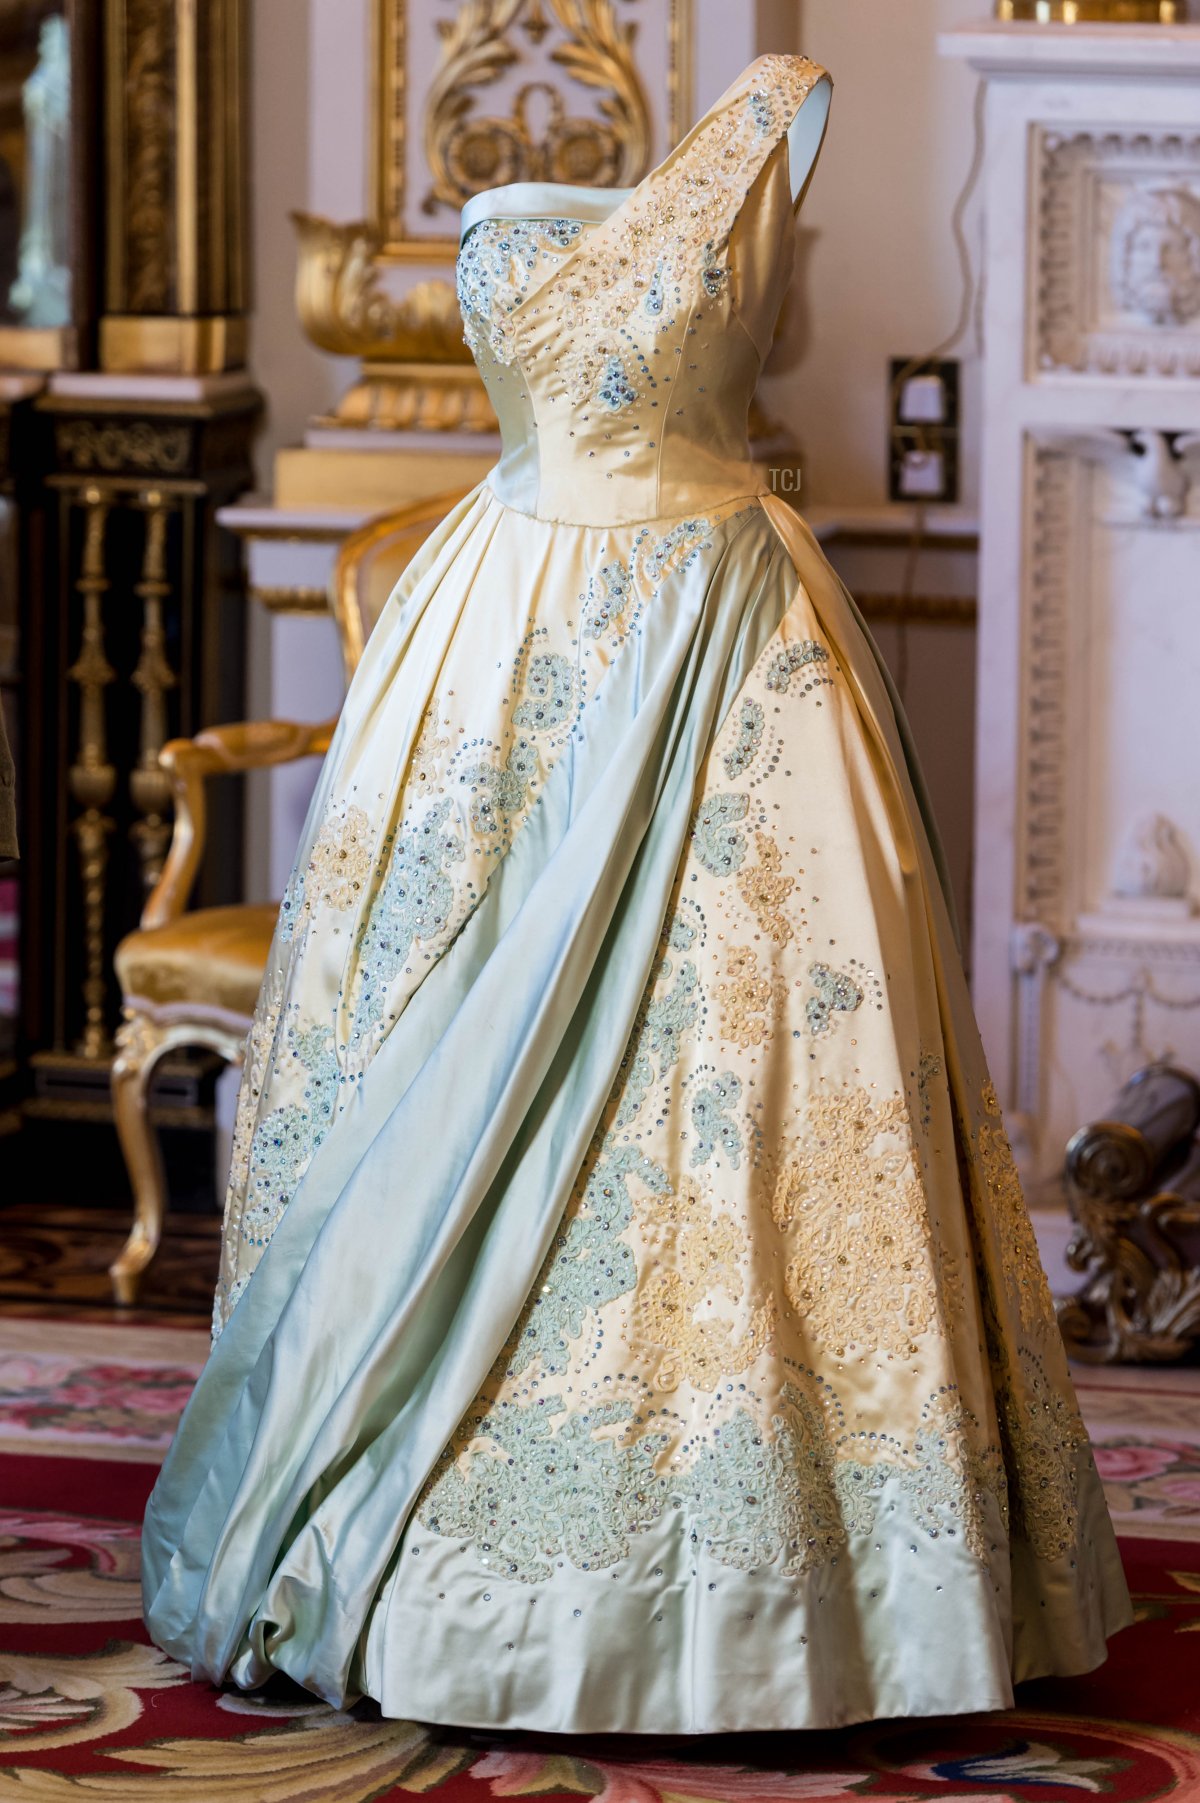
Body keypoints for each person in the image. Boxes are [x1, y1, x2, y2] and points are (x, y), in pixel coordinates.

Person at [143, 53, 1130, 1734]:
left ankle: (785, 1575)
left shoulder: (785, 102)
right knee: (426, 1070)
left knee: (745, 1101)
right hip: (495, 644)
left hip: (727, 658)